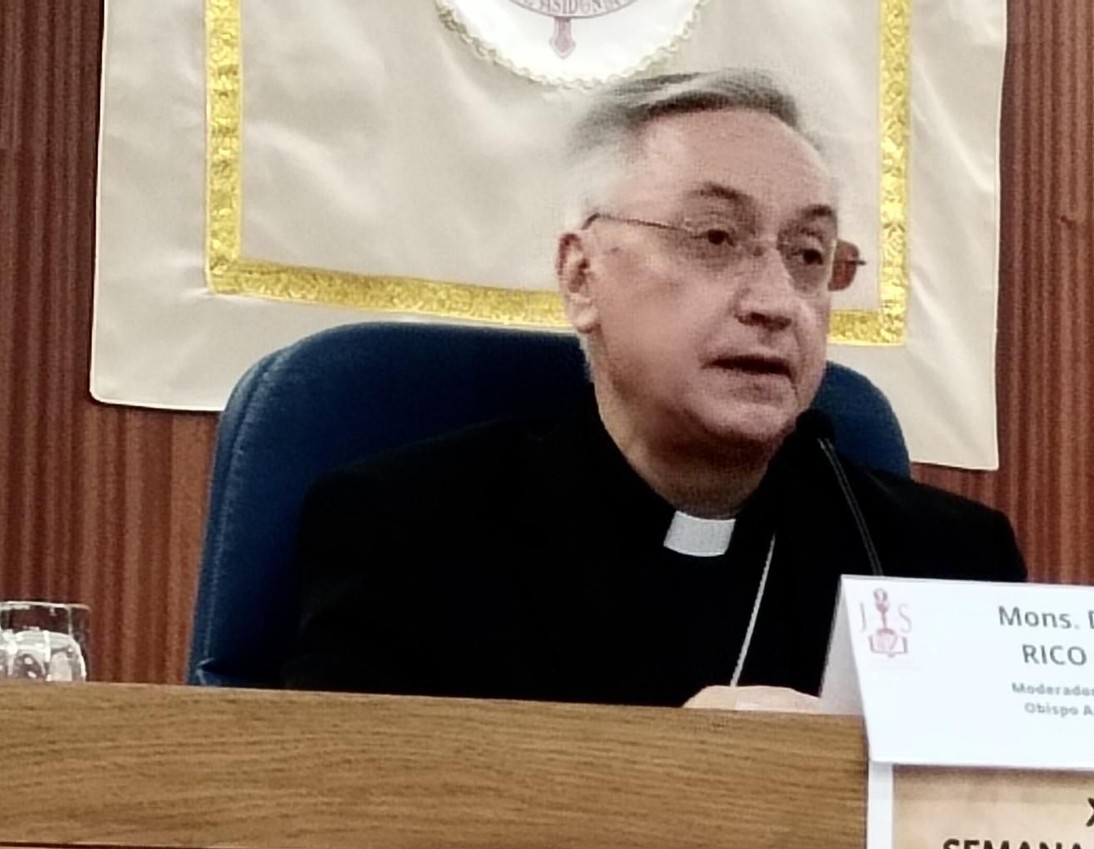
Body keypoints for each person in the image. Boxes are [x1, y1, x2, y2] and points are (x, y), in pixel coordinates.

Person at [281, 69, 1025, 706]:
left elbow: (990, 847)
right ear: (582, 275)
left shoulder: (942, 562)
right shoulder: (408, 535)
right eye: (714, 239)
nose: (774, 301)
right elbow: (341, 836)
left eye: (808, 254)